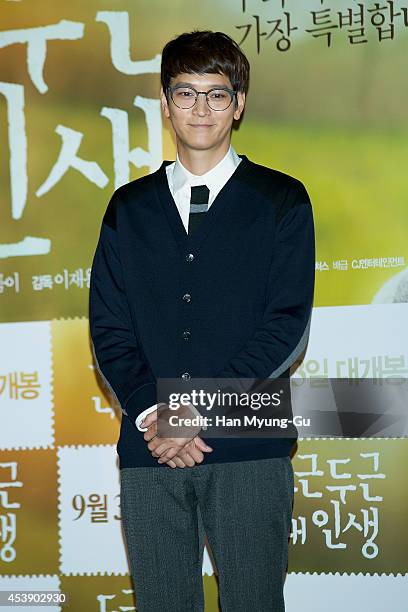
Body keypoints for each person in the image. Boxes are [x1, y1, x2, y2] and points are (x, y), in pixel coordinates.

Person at [89, 29, 315, 612]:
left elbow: (284, 327)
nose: (200, 108)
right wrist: (154, 415)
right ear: (164, 103)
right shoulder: (128, 209)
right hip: (150, 443)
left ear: (239, 104)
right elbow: (109, 329)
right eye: (185, 93)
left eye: (217, 94)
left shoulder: (282, 200)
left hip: (249, 444)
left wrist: (189, 413)